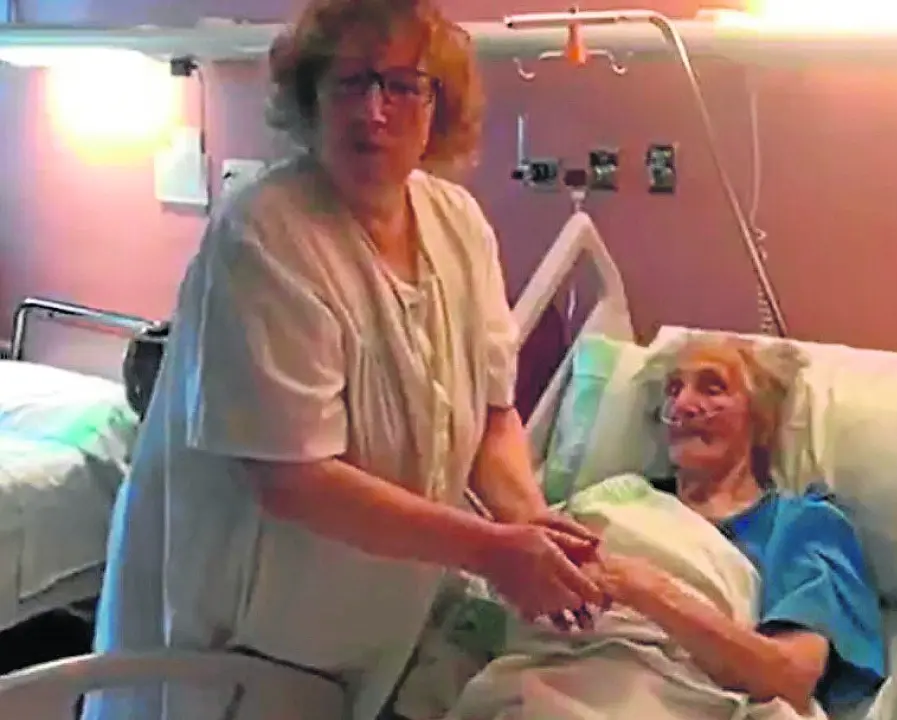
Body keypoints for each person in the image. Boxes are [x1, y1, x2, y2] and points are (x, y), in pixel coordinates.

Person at [84, 2, 605, 719]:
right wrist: (492, 549)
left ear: (438, 102)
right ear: (311, 95)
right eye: (350, 81)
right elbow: (294, 479)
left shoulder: (459, 225)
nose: (373, 110)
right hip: (243, 629)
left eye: (402, 84)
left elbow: (491, 415)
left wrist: (529, 522)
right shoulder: (267, 234)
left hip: (368, 615)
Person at [582, 335, 886, 713]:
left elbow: (790, 677)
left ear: (760, 420)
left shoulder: (800, 526)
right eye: (673, 390)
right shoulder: (618, 501)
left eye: (713, 388)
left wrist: (649, 591)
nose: (683, 404)